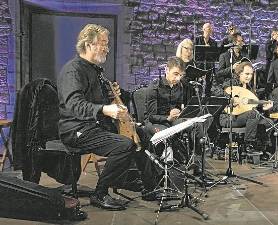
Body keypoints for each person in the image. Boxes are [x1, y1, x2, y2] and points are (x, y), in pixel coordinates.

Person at [57, 24, 146, 211]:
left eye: (107, 44)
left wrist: (114, 95)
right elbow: (75, 105)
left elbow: (97, 100)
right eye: (103, 43)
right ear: (88, 45)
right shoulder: (73, 70)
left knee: (142, 134)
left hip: (93, 126)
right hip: (76, 129)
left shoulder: (94, 70)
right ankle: (100, 193)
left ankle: (141, 183)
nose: (107, 48)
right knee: (124, 146)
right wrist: (105, 109)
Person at [144, 56, 211, 174]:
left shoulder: (179, 86)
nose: (178, 78)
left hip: (172, 120)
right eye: (175, 74)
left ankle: (196, 162)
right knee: (166, 135)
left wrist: (181, 112)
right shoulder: (154, 87)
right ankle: (165, 172)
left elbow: (179, 106)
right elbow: (150, 116)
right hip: (155, 122)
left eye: (180, 75)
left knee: (196, 124)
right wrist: (167, 117)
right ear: (166, 70)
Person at [218, 61, 273, 151]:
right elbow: (219, 94)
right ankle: (249, 144)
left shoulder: (250, 88)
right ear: (239, 73)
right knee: (253, 113)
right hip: (229, 117)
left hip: (246, 116)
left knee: (268, 122)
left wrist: (263, 108)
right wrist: (231, 99)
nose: (249, 76)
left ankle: (262, 148)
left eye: (251, 74)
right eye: (247, 74)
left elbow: (252, 106)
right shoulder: (230, 84)